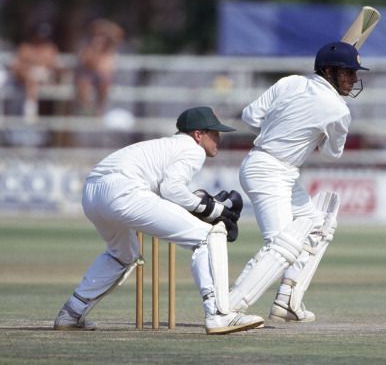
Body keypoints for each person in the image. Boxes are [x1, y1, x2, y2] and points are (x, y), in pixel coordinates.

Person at [53, 106, 264, 334]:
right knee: (207, 237)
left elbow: (165, 193)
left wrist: (200, 204)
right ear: (198, 134)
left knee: (122, 255)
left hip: (92, 193)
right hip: (125, 191)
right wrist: (208, 208)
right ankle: (219, 314)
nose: (218, 138)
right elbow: (172, 188)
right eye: (214, 133)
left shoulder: (164, 146)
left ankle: (71, 313)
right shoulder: (193, 150)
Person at [228, 41, 369, 322]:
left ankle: (288, 300)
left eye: (354, 73)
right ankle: (228, 307)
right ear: (328, 71)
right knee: (281, 247)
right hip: (270, 172)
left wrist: (281, 124)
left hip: (269, 166)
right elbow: (332, 155)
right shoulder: (338, 110)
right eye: (348, 72)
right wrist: (311, 134)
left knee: (317, 225)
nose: (353, 80)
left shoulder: (290, 82)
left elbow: (250, 116)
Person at [9, 22, 61, 123]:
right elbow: (15, 65)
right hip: (24, 79)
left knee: (33, 79)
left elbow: (55, 67)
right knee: (30, 79)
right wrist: (27, 68)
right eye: (38, 35)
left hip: (44, 77)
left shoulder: (50, 49)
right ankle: (30, 110)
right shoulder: (25, 48)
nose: (40, 39)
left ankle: (30, 110)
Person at [73, 19, 124, 116]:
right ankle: (86, 109)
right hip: (88, 77)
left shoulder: (109, 48)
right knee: (83, 82)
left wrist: (106, 27)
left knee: (105, 81)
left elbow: (119, 34)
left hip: (101, 77)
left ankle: (99, 109)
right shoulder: (87, 47)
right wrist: (95, 48)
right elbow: (87, 62)